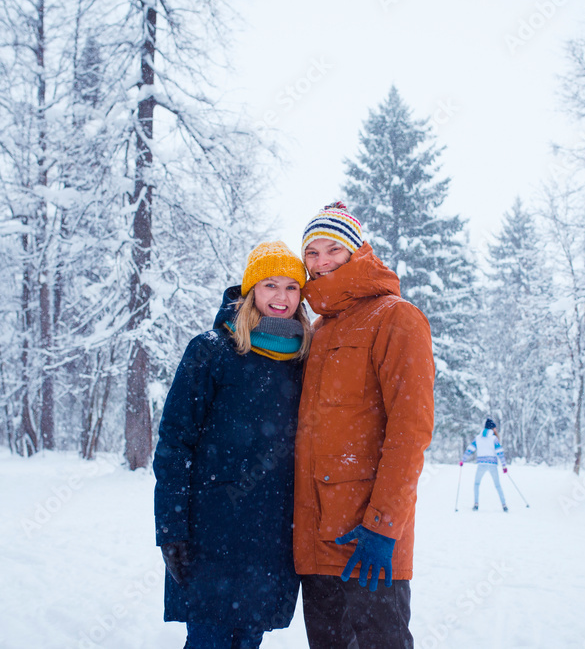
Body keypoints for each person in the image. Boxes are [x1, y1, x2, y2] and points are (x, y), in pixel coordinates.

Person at [152, 241, 311, 649]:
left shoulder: (305, 359)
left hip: (272, 537)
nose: (281, 297)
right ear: (251, 290)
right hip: (212, 535)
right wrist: (170, 527)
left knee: (248, 641)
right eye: (270, 284)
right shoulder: (211, 349)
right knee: (210, 639)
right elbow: (174, 442)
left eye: (292, 287)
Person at [294, 201, 435, 649]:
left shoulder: (396, 317)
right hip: (317, 544)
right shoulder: (317, 329)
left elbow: (410, 432)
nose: (320, 262)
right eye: (311, 253)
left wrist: (382, 526)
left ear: (356, 252)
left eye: (331, 249)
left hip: (368, 544)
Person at [460, 417, 509, 512]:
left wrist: (463, 460)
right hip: (492, 464)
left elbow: (470, 449)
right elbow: (499, 452)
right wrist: (504, 465)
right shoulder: (494, 438)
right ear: (492, 428)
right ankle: (504, 505)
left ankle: (476, 504)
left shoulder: (478, 438)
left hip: (481, 464)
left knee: (476, 484)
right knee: (497, 485)